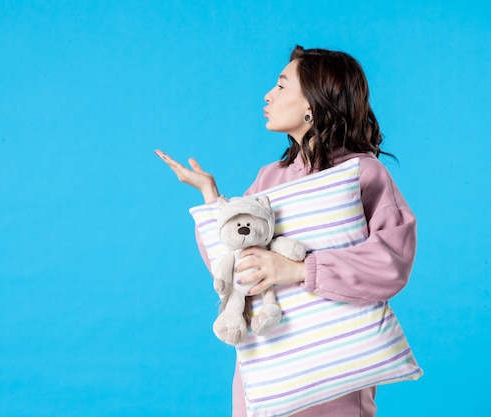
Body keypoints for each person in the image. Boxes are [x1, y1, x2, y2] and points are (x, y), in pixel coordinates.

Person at [155, 45, 416, 417]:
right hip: (266, 367)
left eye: (281, 86)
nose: (268, 95)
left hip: (332, 371)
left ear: (312, 104)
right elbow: (230, 264)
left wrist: (297, 269)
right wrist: (211, 196)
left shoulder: (364, 173)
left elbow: (391, 263)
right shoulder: (269, 177)